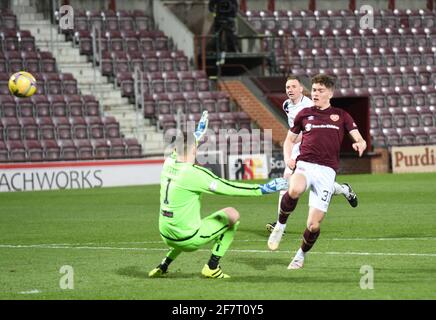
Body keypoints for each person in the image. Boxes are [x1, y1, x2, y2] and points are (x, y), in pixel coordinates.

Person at [149, 111, 288, 279]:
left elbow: (183, 146)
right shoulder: (194, 173)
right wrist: (263, 189)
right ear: (194, 149)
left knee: (184, 221)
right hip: (187, 238)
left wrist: (198, 134)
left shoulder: (168, 162)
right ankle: (212, 267)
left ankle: (164, 264)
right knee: (232, 215)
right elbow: (228, 187)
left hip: (164, 233)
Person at [267, 74, 367, 269]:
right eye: (313, 90)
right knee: (294, 188)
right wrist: (288, 158)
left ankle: (300, 256)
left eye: (320, 90)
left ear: (330, 93)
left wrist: (360, 144)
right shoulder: (304, 114)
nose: (315, 94)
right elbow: (289, 139)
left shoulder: (341, 115)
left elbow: (359, 138)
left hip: (327, 172)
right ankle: (280, 226)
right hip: (305, 164)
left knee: (313, 225)